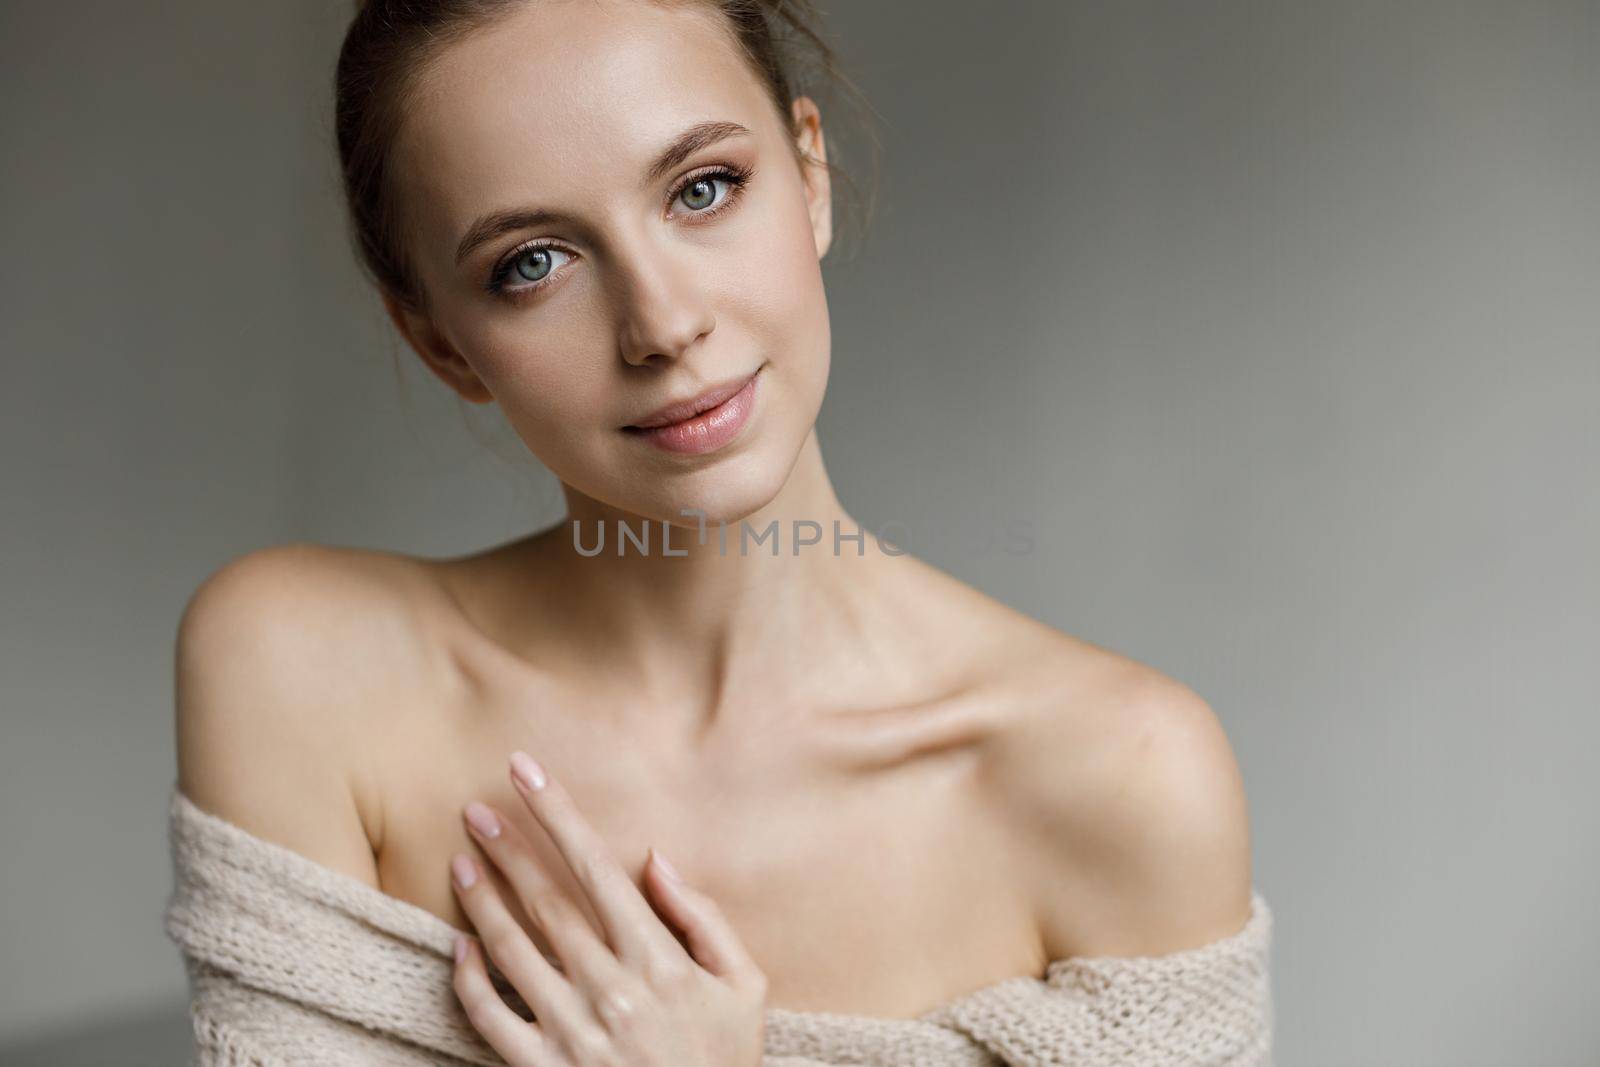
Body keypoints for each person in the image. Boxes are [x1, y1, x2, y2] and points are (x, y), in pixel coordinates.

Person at [171, 1, 1261, 1063]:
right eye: (533, 262)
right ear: (442, 344)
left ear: (811, 177)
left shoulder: (1117, 776)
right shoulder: (305, 673)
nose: (661, 323)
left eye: (704, 188)